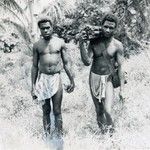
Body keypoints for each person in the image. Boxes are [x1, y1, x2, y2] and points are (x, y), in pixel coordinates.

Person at [79, 13, 125, 134]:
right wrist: (81, 44)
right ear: (101, 26)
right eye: (106, 26)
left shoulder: (117, 45)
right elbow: (87, 62)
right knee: (99, 111)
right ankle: (104, 136)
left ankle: (113, 139)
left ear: (116, 29)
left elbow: (120, 67)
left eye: (111, 27)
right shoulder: (94, 42)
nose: (108, 30)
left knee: (108, 111)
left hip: (109, 78)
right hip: (94, 77)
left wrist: (122, 90)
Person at [31, 16, 75, 138]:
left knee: (57, 110)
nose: (45, 30)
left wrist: (72, 80)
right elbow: (34, 66)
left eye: (48, 28)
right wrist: (33, 86)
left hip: (56, 78)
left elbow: (66, 63)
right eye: (43, 29)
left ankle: (59, 137)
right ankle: (47, 137)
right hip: (43, 79)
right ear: (40, 30)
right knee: (45, 111)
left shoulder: (60, 42)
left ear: (52, 27)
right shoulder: (37, 45)